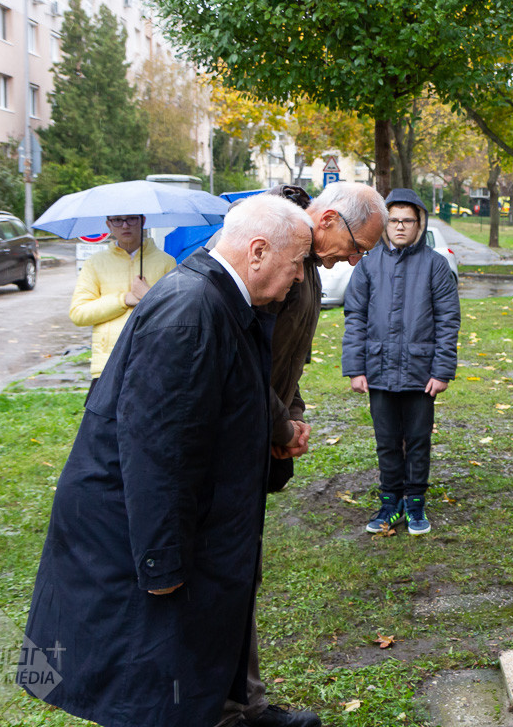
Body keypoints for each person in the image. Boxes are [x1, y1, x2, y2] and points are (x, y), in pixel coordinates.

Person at [20, 195, 314, 727]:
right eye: (296, 263)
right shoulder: (190, 312)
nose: (299, 277)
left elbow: (235, 401)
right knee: (148, 679)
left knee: (185, 662)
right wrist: (161, 560)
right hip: (130, 530)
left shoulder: (221, 300)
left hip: (183, 519)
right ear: (257, 252)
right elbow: (157, 449)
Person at [219, 181, 385, 727]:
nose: (355, 261)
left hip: (261, 430)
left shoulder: (307, 264)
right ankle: (226, 710)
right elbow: (242, 361)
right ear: (330, 219)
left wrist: (293, 413)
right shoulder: (279, 256)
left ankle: (245, 704)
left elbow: (287, 358)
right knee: (224, 578)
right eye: (357, 247)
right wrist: (280, 421)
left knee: (242, 575)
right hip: (233, 436)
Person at [342, 188, 460, 535]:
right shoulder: (368, 265)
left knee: (418, 440)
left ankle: (415, 502)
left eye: (408, 220)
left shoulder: (435, 265)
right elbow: (355, 317)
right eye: (393, 220)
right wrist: (356, 368)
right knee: (387, 441)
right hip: (378, 370)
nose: (400, 226)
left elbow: (448, 320)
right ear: (384, 223)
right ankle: (390, 501)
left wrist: (442, 371)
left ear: (419, 224)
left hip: (421, 374)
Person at [68, 214, 175, 379]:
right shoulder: (95, 264)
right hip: (108, 365)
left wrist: (148, 296)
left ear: (142, 221)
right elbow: (79, 313)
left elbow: (177, 316)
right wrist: (123, 300)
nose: (125, 226)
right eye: (117, 220)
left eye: (131, 219)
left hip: (153, 361)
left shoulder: (166, 262)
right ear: (108, 224)